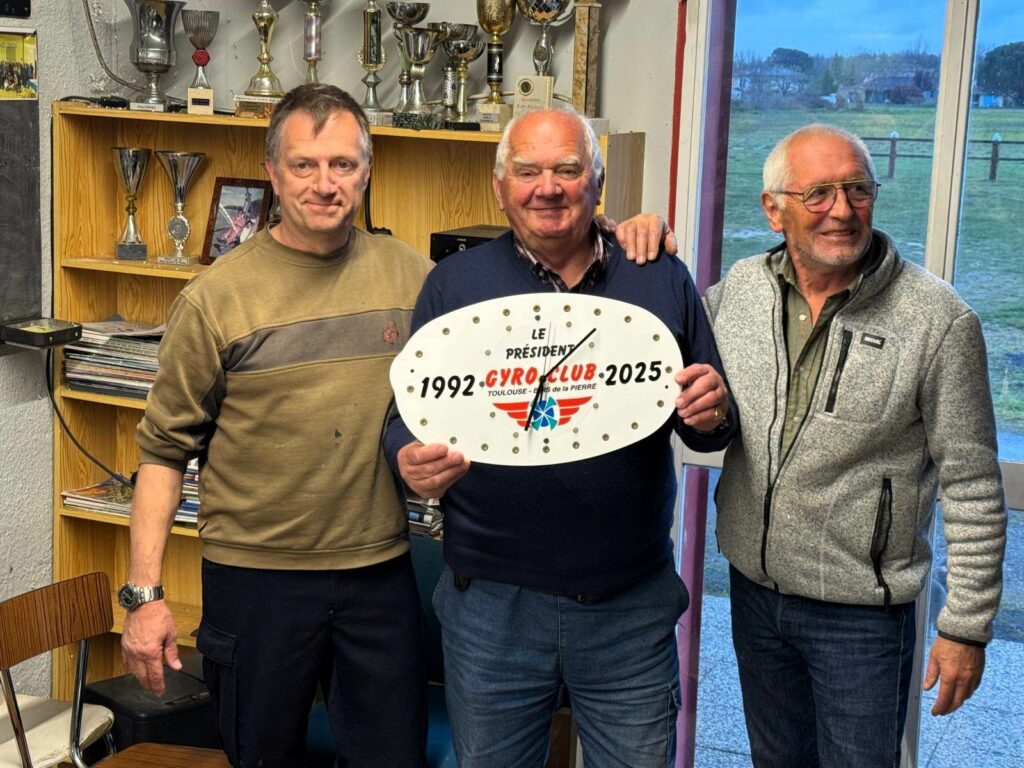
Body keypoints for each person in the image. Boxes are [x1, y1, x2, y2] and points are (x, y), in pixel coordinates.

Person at [384, 108, 738, 768]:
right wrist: (406, 455)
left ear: (597, 183)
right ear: (500, 188)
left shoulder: (657, 275)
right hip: (491, 607)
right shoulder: (455, 285)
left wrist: (712, 411)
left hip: (629, 605)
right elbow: (404, 413)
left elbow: (711, 423)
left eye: (568, 170)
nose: (547, 188)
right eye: (528, 172)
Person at [120, 84, 433, 767]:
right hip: (256, 582)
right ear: (272, 171)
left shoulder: (413, 278)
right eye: (304, 165)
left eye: (343, 164)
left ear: (367, 169)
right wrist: (144, 598)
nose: (325, 184)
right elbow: (163, 454)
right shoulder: (215, 299)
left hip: (377, 577)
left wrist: (618, 238)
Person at [703, 124, 1007, 767]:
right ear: (774, 209)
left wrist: (966, 626)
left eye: (857, 190)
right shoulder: (740, 291)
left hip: (861, 620)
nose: (841, 210)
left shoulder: (938, 321)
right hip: (754, 596)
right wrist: (625, 239)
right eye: (817, 193)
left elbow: (974, 484)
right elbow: (660, 338)